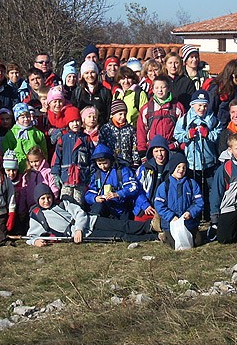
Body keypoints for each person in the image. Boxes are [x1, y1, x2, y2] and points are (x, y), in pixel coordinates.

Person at [26, 183, 156, 246]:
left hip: (90, 221)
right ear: (37, 200)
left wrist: (78, 229)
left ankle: (150, 226)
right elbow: (30, 236)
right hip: (85, 234)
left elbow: (80, 213)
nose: (46, 201)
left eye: (48, 197)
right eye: (42, 199)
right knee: (119, 236)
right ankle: (153, 237)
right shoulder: (38, 216)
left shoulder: (62, 204)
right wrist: (35, 242)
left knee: (122, 225)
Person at [173, 89, 221, 217]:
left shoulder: (213, 119)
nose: (202, 108)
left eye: (205, 105)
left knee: (211, 190)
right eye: (199, 105)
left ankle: (211, 214)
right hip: (192, 162)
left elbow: (219, 134)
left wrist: (208, 134)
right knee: (196, 189)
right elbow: (177, 134)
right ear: (192, 105)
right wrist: (187, 135)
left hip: (209, 161)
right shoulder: (184, 119)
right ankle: (196, 214)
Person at [153, 152, 205, 250]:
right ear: (173, 168)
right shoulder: (164, 186)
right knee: (176, 245)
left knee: (197, 242)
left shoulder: (191, 184)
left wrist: (190, 212)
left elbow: (199, 202)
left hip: (189, 222)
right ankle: (164, 235)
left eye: (183, 167)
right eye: (178, 167)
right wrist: (171, 217)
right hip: (171, 224)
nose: (181, 170)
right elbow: (159, 205)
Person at [84, 144, 139, 220]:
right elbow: (89, 193)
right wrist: (95, 198)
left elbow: (133, 187)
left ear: (110, 159)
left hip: (123, 208)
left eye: (105, 163)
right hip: (106, 209)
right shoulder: (96, 175)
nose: (103, 167)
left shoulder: (122, 170)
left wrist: (118, 194)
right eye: (99, 164)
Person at [51, 105, 92, 202]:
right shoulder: (62, 139)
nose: (75, 124)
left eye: (77, 121)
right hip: (66, 177)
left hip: (81, 177)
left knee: (79, 203)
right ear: (68, 123)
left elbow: (91, 158)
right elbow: (57, 158)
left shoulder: (86, 139)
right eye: (72, 121)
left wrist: (90, 174)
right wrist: (55, 174)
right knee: (66, 202)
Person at [137, 75, 184, 154]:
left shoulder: (177, 107)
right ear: (153, 90)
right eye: (157, 88)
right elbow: (141, 130)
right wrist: (142, 150)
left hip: (172, 148)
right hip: (153, 149)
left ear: (168, 88)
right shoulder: (146, 109)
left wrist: (182, 147)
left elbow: (183, 129)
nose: (160, 90)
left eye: (163, 87)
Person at [132, 135, 171, 227]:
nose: (159, 154)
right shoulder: (143, 169)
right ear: (152, 153)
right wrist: (144, 204)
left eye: (162, 150)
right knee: (139, 227)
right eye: (156, 151)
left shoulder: (173, 168)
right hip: (147, 207)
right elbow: (136, 190)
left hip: (165, 207)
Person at [1, 102, 48, 170]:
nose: (26, 119)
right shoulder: (12, 134)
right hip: (19, 167)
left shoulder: (37, 133)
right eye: (23, 117)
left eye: (28, 116)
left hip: (35, 166)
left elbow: (44, 151)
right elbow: (7, 151)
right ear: (17, 118)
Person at [99, 99, 138, 167]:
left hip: (127, 163)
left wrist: (136, 161)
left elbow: (135, 147)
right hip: (111, 164)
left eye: (124, 114)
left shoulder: (130, 129)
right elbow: (102, 147)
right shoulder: (105, 129)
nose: (123, 117)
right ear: (113, 114)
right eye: (120, 114)